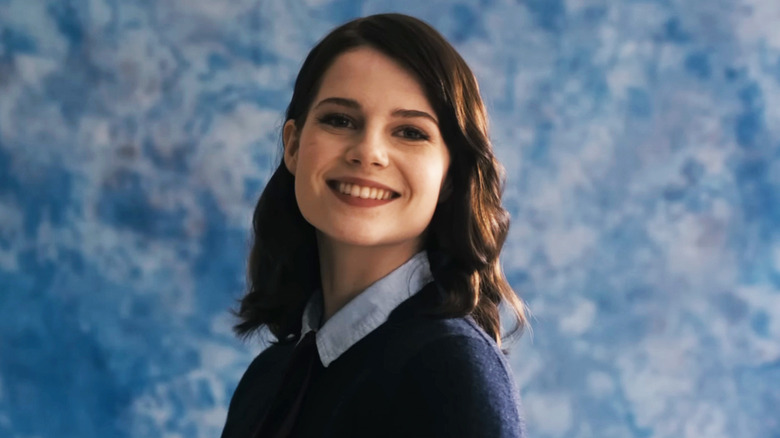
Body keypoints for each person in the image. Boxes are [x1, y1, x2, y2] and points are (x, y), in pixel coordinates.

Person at [221, 13, 528, 438]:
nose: (368, 153)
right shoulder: (270, 377)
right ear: (292, 146)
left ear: (450, 176)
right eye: (340, 120)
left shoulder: (450, 369)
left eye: (409, 131)